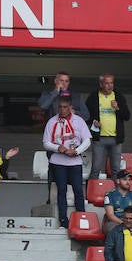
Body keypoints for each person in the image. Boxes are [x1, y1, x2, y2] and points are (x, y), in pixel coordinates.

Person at [42, 96, 90, 227]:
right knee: (61, 191)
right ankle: (63, 220)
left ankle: (81, 218)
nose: (62, 110)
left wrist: (77, 151)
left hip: (75, 162)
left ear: (70, 108)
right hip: (57, 162)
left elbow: (87, 140)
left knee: (78, 190)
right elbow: (46, 143)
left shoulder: (79, 121)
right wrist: (59, 148)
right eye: (60, 107)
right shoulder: (52, 122)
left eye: (65, 107)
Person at [83, 73, 131, 180]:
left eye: (111, 83)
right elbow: (86, 116)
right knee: (96, 168)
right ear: (101, 84)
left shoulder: (118, 96)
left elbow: (127, 116)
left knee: (116, 170)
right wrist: (93, 122)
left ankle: (116, 195)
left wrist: (117, 108)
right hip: (99, 138)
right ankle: (91, 194)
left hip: (115, 139)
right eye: (107, 83)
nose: (110, 86)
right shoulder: (93, 97)